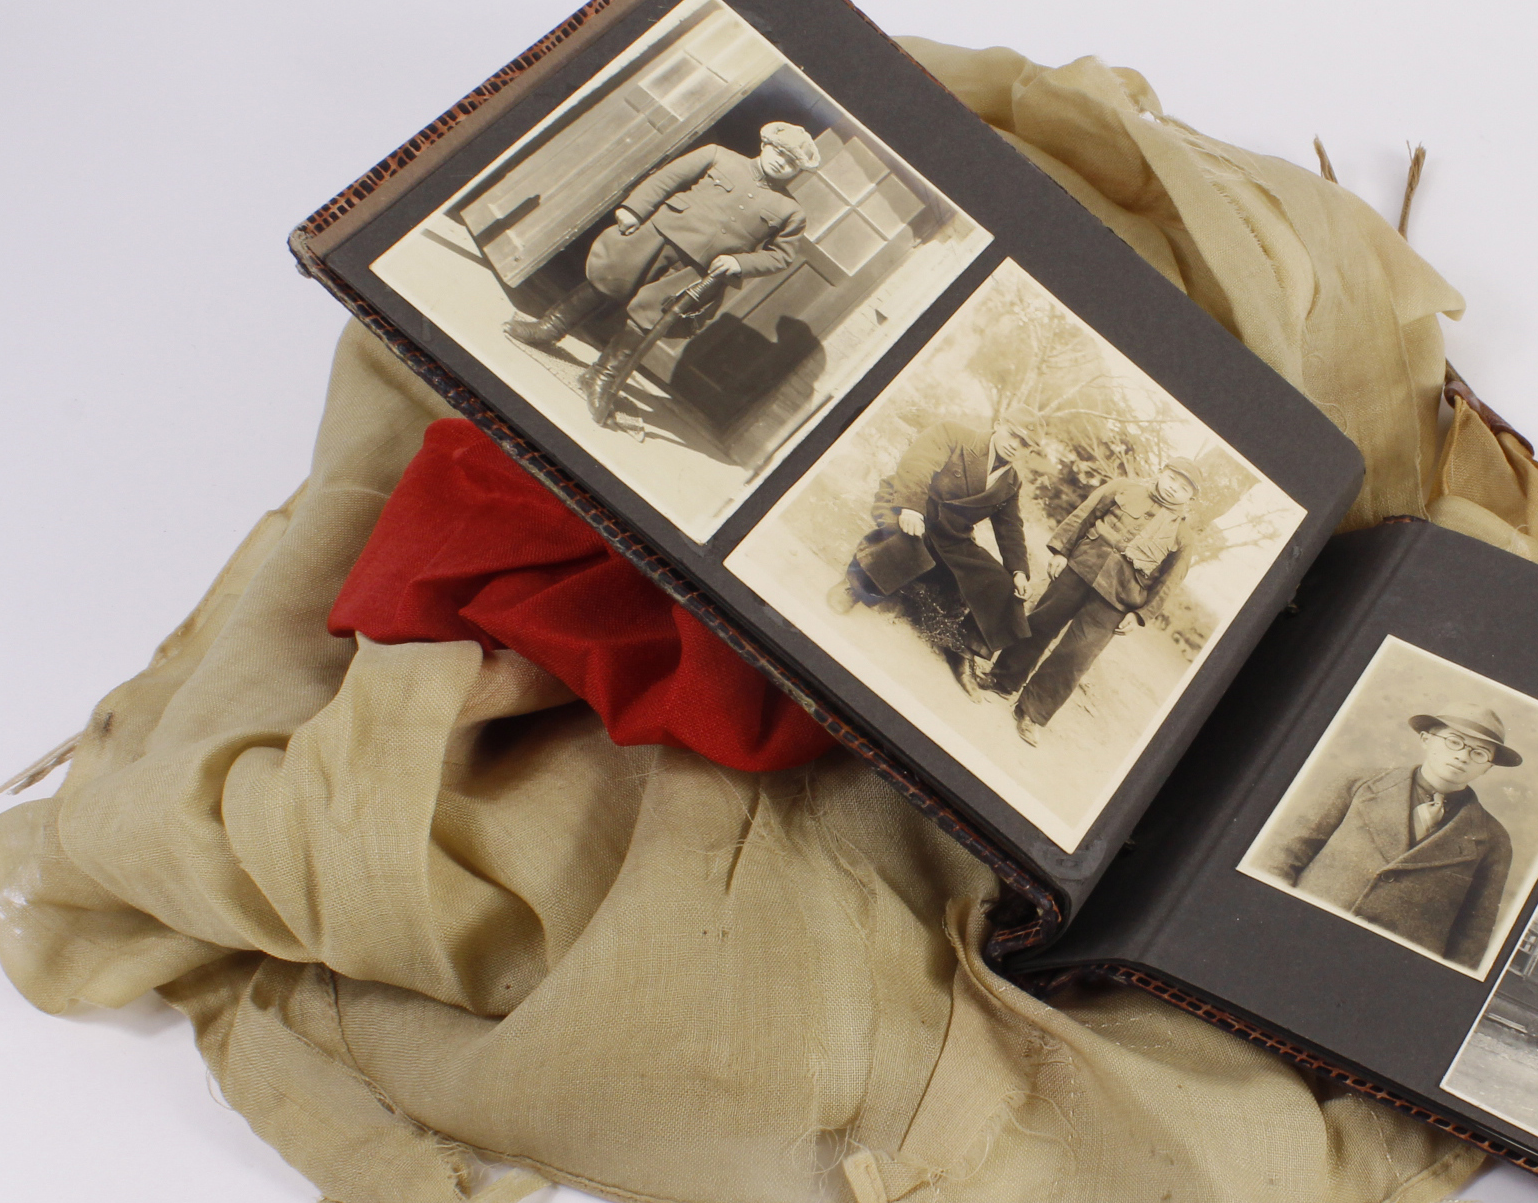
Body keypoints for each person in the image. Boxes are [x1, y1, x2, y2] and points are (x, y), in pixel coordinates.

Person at [503, 123, 822, 420]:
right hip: (656, 235)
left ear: (797, 171)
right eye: (779, 152)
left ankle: (600, 376)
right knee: (606, 279)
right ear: (764, 144)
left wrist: (741, 263)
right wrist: (633, 209)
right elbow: (666, 179)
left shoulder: (791, 212)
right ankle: (549, 328)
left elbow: (780, 256)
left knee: (649, 318)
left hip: (698, 270)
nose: (782, 162)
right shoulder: (718, 155)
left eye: (791, 163)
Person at [1261, 702, 1519, 967]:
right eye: (1454, 742)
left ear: (1489, 767)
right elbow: (1283, 854)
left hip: (1388, 966)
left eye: (1479, 753)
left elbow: (1475, 930)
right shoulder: (1357, 785)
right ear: (1426, 739)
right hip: (1300, 930)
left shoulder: (1493, 839)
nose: (1463, 756)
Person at [985, 464, 1199, 745]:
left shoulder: (1184, 537)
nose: (1173, 487)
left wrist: (1139, 615)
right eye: (1172, 478)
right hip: (1078, 569)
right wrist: (1061, 551)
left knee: (1075, 657)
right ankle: (1003, 680)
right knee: (1038, 624)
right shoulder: (1123, 487)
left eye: (1183, 488)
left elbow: (1168, 582)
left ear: (1190, 499)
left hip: (1117, 600)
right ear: (1162, 473)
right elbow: (1085, 514)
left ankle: (1031, 712)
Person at [830, 421, 1036, 696]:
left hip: (951, 534)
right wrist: (911, 508)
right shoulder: (956, 433)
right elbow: (917, 465)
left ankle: (962, 648)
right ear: (999, 424)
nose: (1015, 444)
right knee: (906, 540)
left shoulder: (1011, 481)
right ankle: (857, 586)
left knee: (1002, 584)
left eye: (1025, 444)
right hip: (910, 504)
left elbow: (1010, 527)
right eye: (1013, 434)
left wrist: (1019, 571)